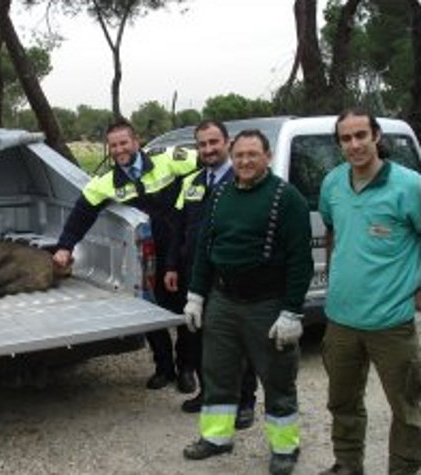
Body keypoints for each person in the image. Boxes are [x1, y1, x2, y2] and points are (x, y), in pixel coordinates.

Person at [181, 129, 313, 475]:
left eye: (253, 154)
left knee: (278, 378)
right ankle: (216, 438)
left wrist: (292, 312)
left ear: (267, 157)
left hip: (267, 304)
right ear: (232, 155)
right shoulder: (220, 193)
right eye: (239, 155)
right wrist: (196, 296)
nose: (245, 161)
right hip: (222, 300)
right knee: (218, 372)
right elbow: (204, 251)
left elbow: (302, 261)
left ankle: (285, 447)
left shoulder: (288, 199)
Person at [53, 119, 198, 391]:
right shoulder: (106, 182)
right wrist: (65, 246)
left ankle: (187, 368)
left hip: (180, 248)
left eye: (124, 143)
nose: (120, 150)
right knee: (151, 309)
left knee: (185, 308)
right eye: (114, 145)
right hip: (145, 257)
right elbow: (81, 214)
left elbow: (208, 164)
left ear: (136, 141)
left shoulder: (169, 159)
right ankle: (164, 367)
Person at [317, 109, 421, 475]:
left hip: (392, 321)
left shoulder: (410, 186)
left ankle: (404, 469)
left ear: (376, 136)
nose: (355, 144)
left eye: (361, 135)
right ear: (339, 144)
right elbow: (332, 231)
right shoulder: (332, 183)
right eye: (346, 138)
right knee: (342, 401)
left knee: (409, 408)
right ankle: (347, 464)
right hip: (341, 319)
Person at [169, 120, 258, 427]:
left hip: (230, 277)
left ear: (227, 143)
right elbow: (178, 227)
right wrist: (171, 265)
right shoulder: (191, 182)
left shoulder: (243, 180)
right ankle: (210, 394)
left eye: (213, 142)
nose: (208, 149)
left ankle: (245, 401)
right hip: (195, 275)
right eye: (202, 144)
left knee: (239, 342)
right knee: (201, 340)